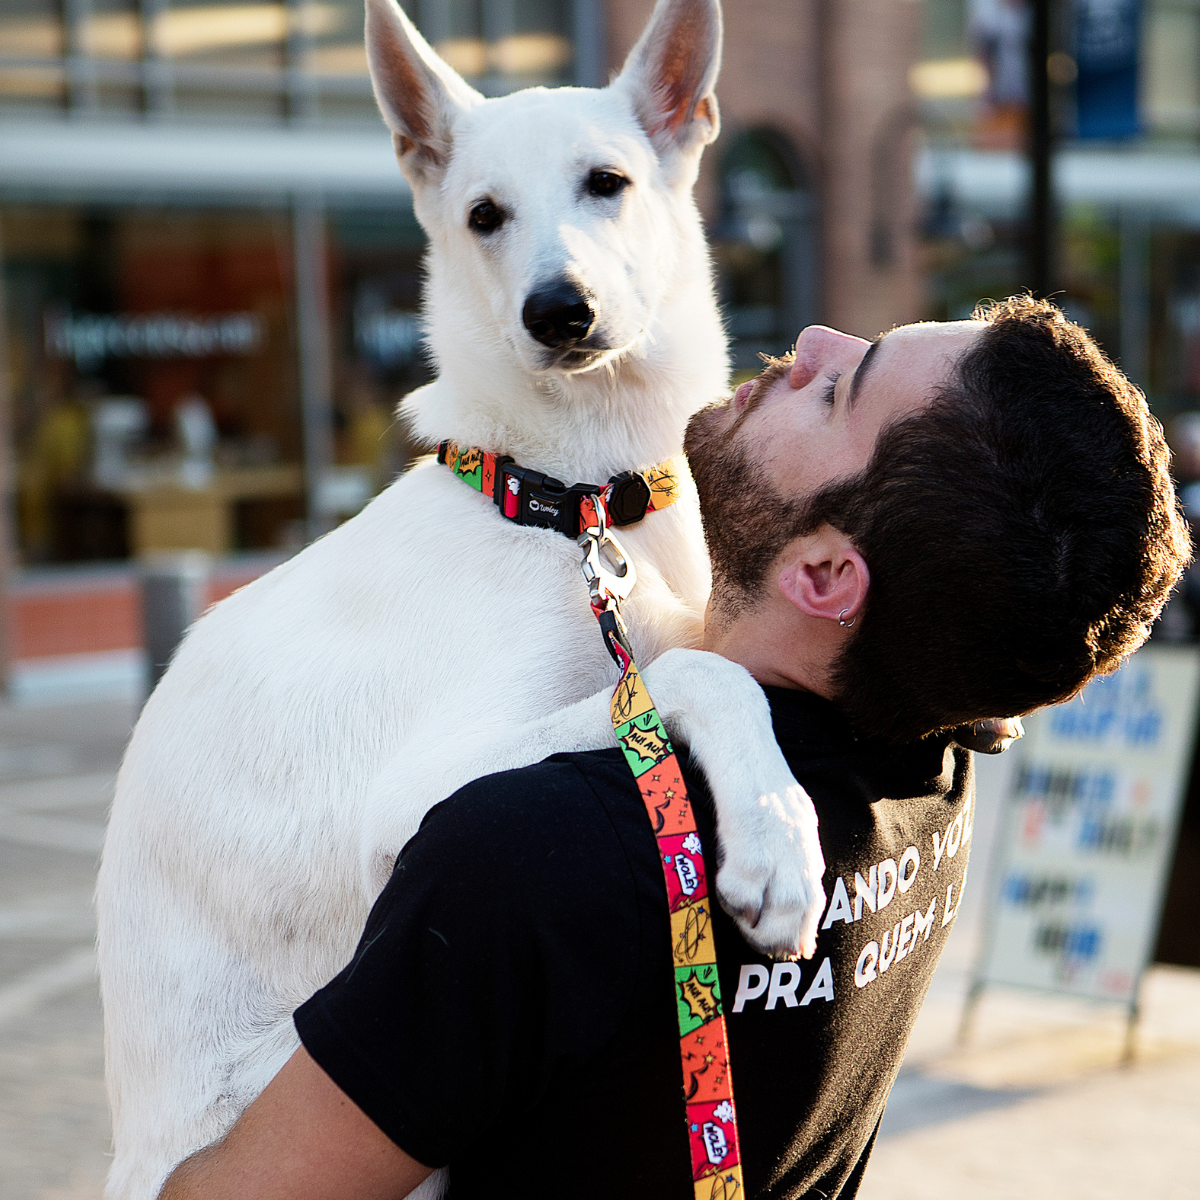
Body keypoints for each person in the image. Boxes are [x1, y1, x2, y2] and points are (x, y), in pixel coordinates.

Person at [158, 297, 1189, 1200]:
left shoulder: (537, 862)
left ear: (828, 579)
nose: (812, 342)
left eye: (839, 393)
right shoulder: (936, 771)